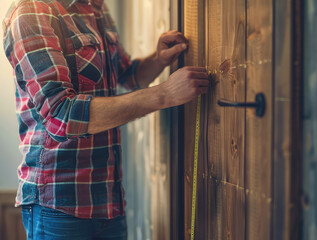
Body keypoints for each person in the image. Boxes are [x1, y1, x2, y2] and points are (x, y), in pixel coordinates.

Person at [2, 0, 208, 239]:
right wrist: (164, 94)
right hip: (58, 209)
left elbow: (126, 75)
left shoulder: (95, 8)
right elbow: (61, 115)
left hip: (109, 204)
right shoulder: (31, 12)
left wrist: (158, 59)